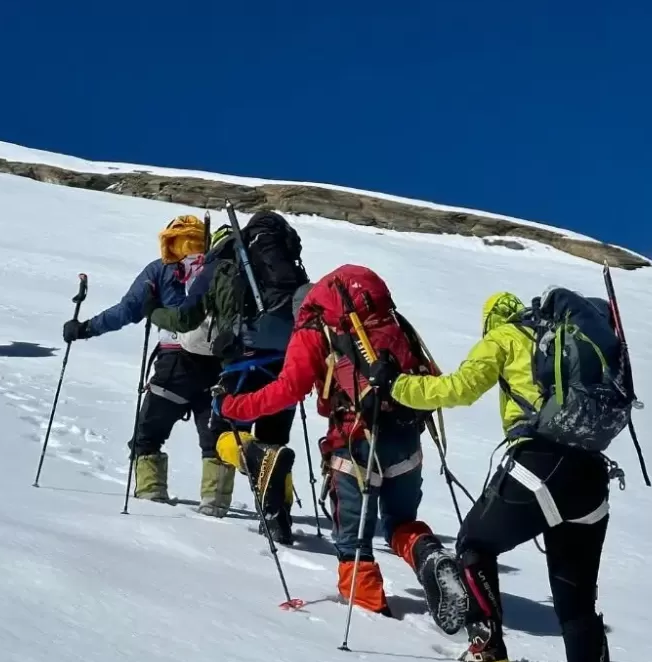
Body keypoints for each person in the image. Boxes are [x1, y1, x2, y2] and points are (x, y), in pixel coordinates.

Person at [380, 291, 613, 662]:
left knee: (474, 543)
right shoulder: (564, 340)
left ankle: (487, 649)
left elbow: (458, 389)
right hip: (592, 478)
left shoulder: (503, 337)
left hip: (539, 465)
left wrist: (395, 385)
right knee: (576, 598)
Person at [212, 264, 468, 634]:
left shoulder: (313, 328)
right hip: (406, 436)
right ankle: (429, 554)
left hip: (355, 440)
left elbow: (288, 390)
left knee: (353, 539)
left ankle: (371, 619)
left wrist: (232, 406)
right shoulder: (386, 318)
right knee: (400, 522)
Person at [147, 210, 310, 545]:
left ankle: (253, 457)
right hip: (285, 368)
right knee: (276, 441)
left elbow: (186, 319)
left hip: (242, 365)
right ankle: (278, 516)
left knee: (224, 435)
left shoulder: (222, 263)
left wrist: (154, 311)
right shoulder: (293, 268)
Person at [62, 215, 236, 516]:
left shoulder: (160, 270)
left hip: (174, 366)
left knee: (148, 435)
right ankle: (216, 503)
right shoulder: (223, 270)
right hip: (219, 366)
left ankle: (151, 497)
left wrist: (85, 328)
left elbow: (127, 310)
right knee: (215, 438)